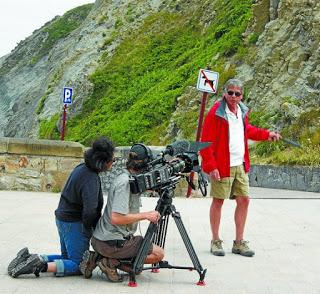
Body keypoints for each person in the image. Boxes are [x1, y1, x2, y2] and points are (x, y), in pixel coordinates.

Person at [8, 137, 115, 277]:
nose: (113, 163)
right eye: (113, 160)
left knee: (66, 258)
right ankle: (38, 266)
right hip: (74, 223)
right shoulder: (91, 179)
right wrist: (89, 230)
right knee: (77, 264)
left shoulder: (81, 168)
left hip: (63, 219)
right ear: (104, 162)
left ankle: (32, 258)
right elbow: (89, 211)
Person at [200, 79, 281, 257]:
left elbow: (248, 130)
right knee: (218, 201)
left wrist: (268, 134)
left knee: (244, 200)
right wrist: (211, 166)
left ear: (242, 95)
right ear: (224, 93)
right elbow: (205, 142)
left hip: (240, 165)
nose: (234, 97)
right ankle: (215, 241)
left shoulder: (242, 112)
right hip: (222, 166)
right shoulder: (216, 113)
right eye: (230, 93)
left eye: (237, 94)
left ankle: (238, 242)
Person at [80, 143, 164, 282]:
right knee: (157, 255)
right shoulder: (124, 183)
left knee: (138, 267)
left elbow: (137, 189)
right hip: (110, 242)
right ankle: (109, 262)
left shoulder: (130, 178)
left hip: (106, 239)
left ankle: (100, 258)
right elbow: (116, 218)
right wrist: (146, 215)